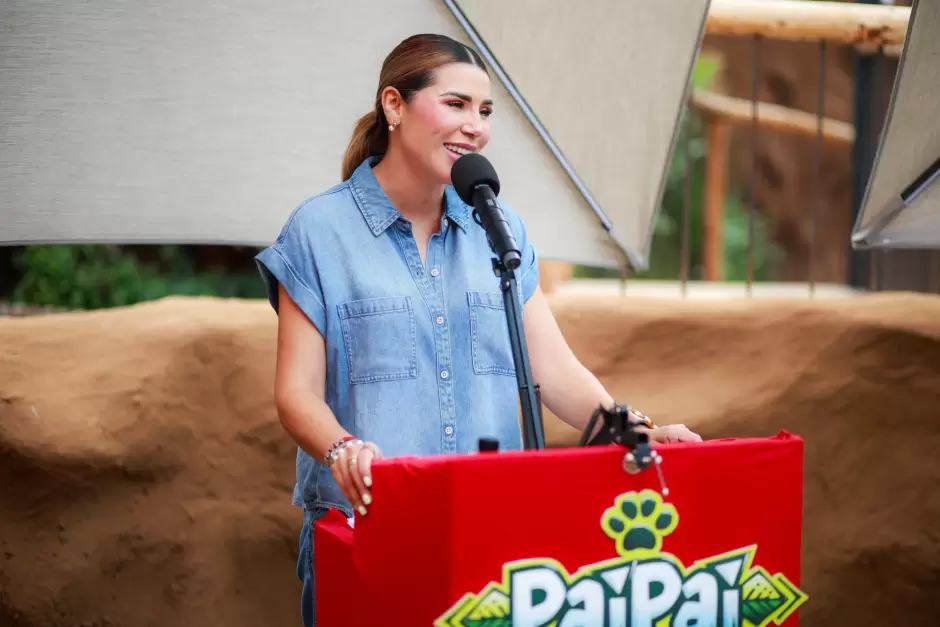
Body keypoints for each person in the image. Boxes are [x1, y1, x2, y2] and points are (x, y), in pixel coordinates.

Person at [255, 33, 702, 627]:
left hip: (497, 539)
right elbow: (296, 393)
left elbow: (556, 372)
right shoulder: (318, 231)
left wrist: (638, 430)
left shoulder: (499, 228)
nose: (475, 127)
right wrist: (343, 449)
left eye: (485, 111)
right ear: (394, 106)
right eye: (456, 104)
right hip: (369, 537)